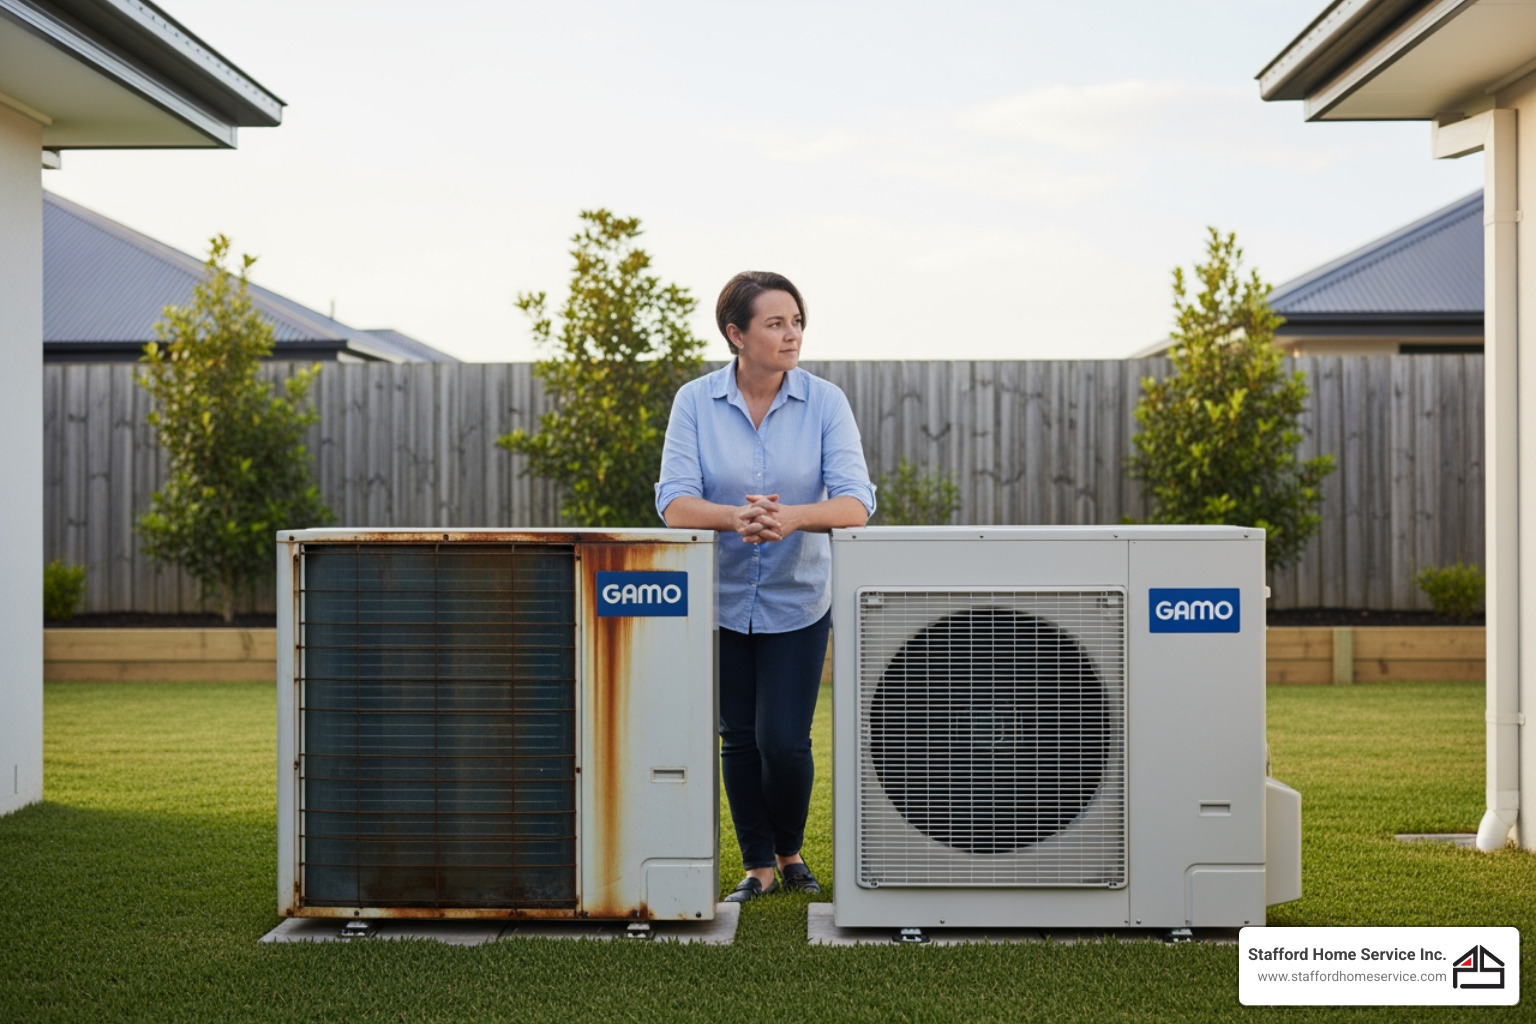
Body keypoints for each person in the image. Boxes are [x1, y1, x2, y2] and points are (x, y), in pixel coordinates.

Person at [655, 271, 876, 902]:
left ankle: (790, 849)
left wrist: (793, 518)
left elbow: (858, 501)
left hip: (799, 596)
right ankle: (757, 864)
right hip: (719, 599)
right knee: (740, 736)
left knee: (784, 739)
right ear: (737, 334)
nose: (792, 335)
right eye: (775, 323)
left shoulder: (826, 402)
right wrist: (734, 518)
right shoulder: (694, 402)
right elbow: (673, 501)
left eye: (797, 321)